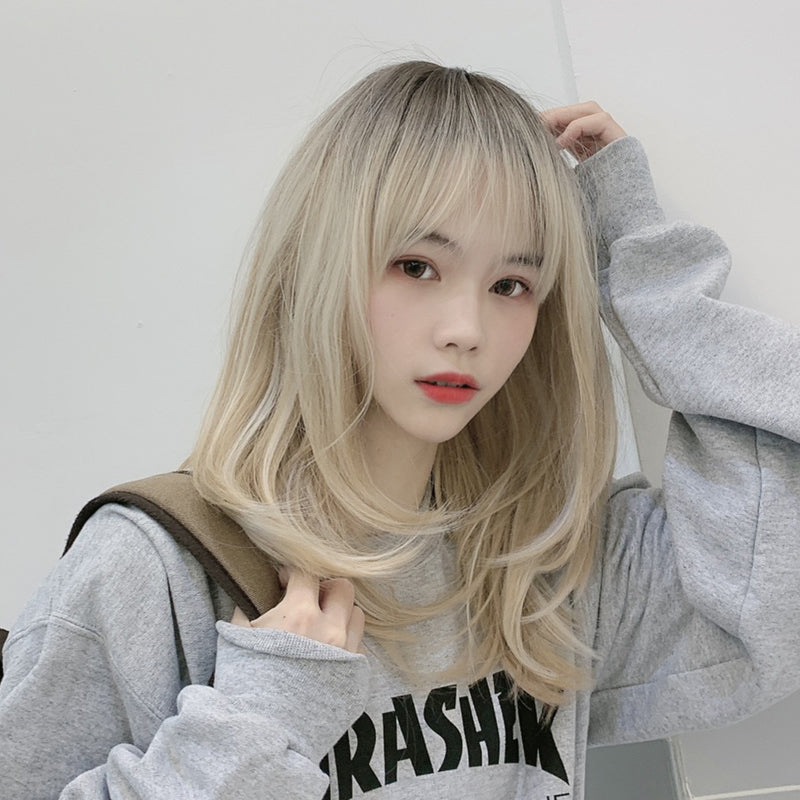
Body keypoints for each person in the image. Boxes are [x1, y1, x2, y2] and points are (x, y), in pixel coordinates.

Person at [0, 60, 798, 800]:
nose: (466, 330)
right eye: (417, 266)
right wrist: (257, 724)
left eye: (512, 283)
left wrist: (655, 278)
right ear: (319, 264)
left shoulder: (540, 569)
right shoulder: (151, 569)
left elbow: (770, 603)